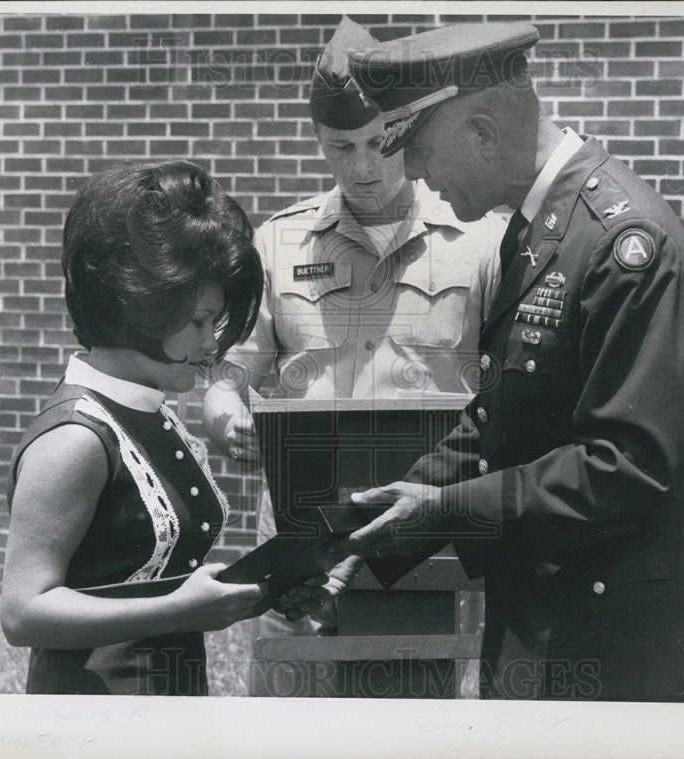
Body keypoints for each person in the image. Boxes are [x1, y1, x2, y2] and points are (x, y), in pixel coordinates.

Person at [345, 21, 684, 702]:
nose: (412, 173)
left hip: (625, 655)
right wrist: (394, 517)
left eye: (415, 148)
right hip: (547, 630)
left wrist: (447, 508)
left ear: (482, 134)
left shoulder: (626, 242)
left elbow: (625, 468)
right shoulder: (538, 231)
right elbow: (502, 414)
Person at [201, 18, 504, 697]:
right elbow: (226, 376)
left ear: (406, 134)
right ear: (319, 141)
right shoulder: (279, 243)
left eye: (378, 144)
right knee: (290, 721)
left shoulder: (480, 242)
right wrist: (228, 420)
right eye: (342, 146)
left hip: (421, 541)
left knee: (412, 721)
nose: (363, 167)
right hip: (301, 549)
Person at [0, 160, 318, 695]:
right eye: (198, 322)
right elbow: (24, 612)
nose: (213, 345)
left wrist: (258, 592)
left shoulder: (148, 410)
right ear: (136, 308)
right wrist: (175, 610)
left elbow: (147, 576)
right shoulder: (77, 437)